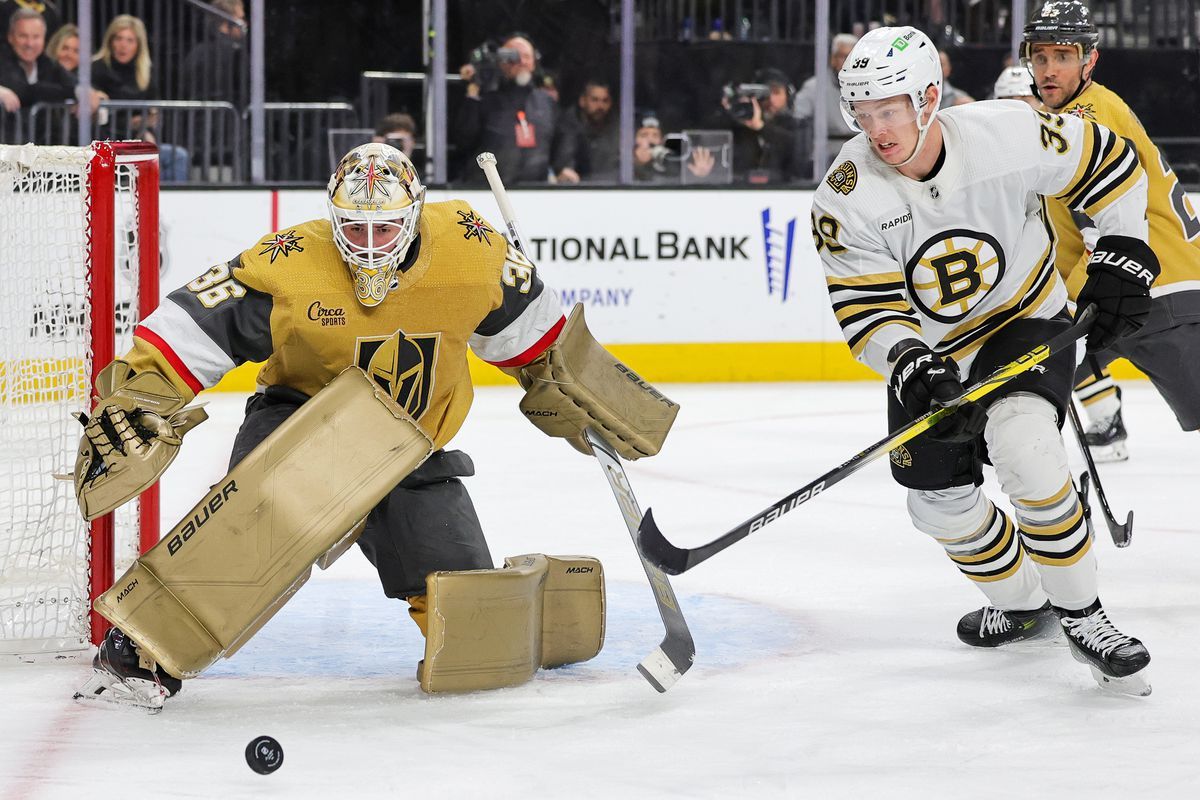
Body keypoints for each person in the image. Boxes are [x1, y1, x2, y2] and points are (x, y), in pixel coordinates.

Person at [71, 143, 676, 708]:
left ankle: (544, 606)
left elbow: (538, 342)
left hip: (409, 445)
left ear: (412, 218)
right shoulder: (293, 263)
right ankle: (145, 648)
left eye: (383, 228)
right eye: (352, 228)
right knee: (252, 527)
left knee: (470, 619)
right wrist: (144, 392)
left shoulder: (471, 251)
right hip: (298, 428)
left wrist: (568, 382)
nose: (366, 243)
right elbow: (197, 324)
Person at [811, 25, 1157, 694]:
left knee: (1026, 448)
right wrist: (910, 360)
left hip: (1023, 317)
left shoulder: (1010, 133)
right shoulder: (845, 194)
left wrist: (1124, 251)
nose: (876, 129)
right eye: (863, 113)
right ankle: (1028, 603)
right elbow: (864, 308)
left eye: (889, 110)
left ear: (929, 98)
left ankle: (1085, 614)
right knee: (938, 505)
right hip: (935, 348)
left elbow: (1113, 165)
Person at [1023, 0, 1200, 463]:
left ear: (1089, 60)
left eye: (1062, 56)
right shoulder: (1072, 115)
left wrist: (1057, 301)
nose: (1049, 69)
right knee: (1030, 370)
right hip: (1127, 287)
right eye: (1041, 56)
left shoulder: (1088, 119)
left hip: (1161, 290)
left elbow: (1105, 230)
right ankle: (1095, 432)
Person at [454, 34, 574, 185]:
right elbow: (463, 139)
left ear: (534, 63)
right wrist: (473, 91)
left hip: (537, 192)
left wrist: (563, 166)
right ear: (501, 61)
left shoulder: (547, 103)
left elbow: (563, 138)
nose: (521, 62)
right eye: (513, 56)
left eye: (526, 56)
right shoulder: (484, 100)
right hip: (488, 192)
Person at [91, 14, 190, 183]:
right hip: (104, 143)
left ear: (138, 45)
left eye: (130, 40)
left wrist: (146, 127)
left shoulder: (145, 73)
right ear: (110, 41)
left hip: (137, 141)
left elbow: (153, 113)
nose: (123, 45)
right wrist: (131, 122)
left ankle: (161, 207)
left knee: (178, 156)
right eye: (119, 39)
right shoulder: (97, 68)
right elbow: (97, 116)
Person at [722, 67, 802, 184]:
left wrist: (761, 127)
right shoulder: (739, 126)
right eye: (764, 94)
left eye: (776, 92)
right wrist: (730, 110)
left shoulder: (796, 126)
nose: (771, 99)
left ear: (788, 96)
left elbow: (797, 160)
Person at [793, 33, 859, 169]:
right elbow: (797, 121)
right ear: (832, 59)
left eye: (854, 57)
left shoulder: (870, 88)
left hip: (863, 155)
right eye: (844, 56)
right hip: (825, 159)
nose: (849, 62)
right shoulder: (814, 87)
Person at [0, 7, 73, 112]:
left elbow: (72, 81)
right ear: (10, 37)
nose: (30, 43)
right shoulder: (3, 59)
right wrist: (74, 93)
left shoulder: (46, 62)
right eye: (23, 36)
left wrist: (87, 92)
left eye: (36, 37)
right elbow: (25, 90)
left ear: (44, 39)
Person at [180, 0, 246, 107]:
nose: (244, 24)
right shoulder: (236, 54)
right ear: (226, 21)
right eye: (241, 18)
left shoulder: (195, 53)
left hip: (198, 120)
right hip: (230, 121)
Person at [558, 79, 619, 183]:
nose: (600, 106)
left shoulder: (617, 127)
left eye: (605, 101)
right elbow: (565, 162)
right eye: (595, 100)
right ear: (582, 101)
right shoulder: (568, 126)